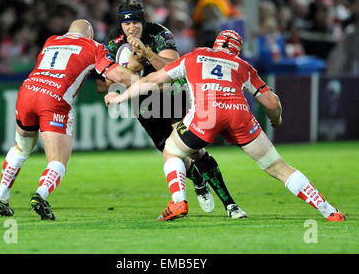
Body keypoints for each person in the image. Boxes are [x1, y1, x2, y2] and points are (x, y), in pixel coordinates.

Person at [105, 30, 346, 222]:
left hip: (206, 115)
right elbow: (271, 101)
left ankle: (178, 201)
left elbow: (151, 80)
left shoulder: (194, 57)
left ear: (216, 43)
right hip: (239, 115)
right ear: (237, 50)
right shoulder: (242, 66)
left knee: (172, 150)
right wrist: (276, 119)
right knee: (278, 167)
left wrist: (119, 97)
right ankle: (328, 211)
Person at [102, 0, 247, 218]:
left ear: (144, 21)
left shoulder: (160, 34)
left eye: (136, 22)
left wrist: (147, 52)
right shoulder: (113, 42)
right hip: (144, 102)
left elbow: (174, 67)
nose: (132, 28)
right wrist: (132, 66)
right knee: (169, 153)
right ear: (121, 24)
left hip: (172, 95)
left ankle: (231, 205)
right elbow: (107, 82)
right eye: (127, 23)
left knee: (194, 150)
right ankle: (198, 181)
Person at [0, 19, 136, 220]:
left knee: (21, 148)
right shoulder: (93, 47)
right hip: (53, 99)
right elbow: (117, 74)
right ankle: (41, 195)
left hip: (28, 91)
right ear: (90, 35)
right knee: (58, 160)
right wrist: (142, 80)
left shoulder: (51, 41)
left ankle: (1, 199)